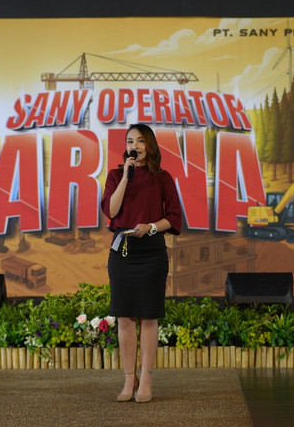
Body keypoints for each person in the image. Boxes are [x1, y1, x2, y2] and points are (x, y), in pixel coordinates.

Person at [100, 123, 182, 403]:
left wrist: (151, 227)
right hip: (122, 253)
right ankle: (129, 379)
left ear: (149, 145)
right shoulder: (116, 175)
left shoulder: (163, 178)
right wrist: (126, 176)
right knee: (124, 317)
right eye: (129, 141)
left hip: (152, 253)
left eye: (140, 141)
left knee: (148, 316)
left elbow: (174, 216)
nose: (134, 146)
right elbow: (111, 211)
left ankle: (146, 378)